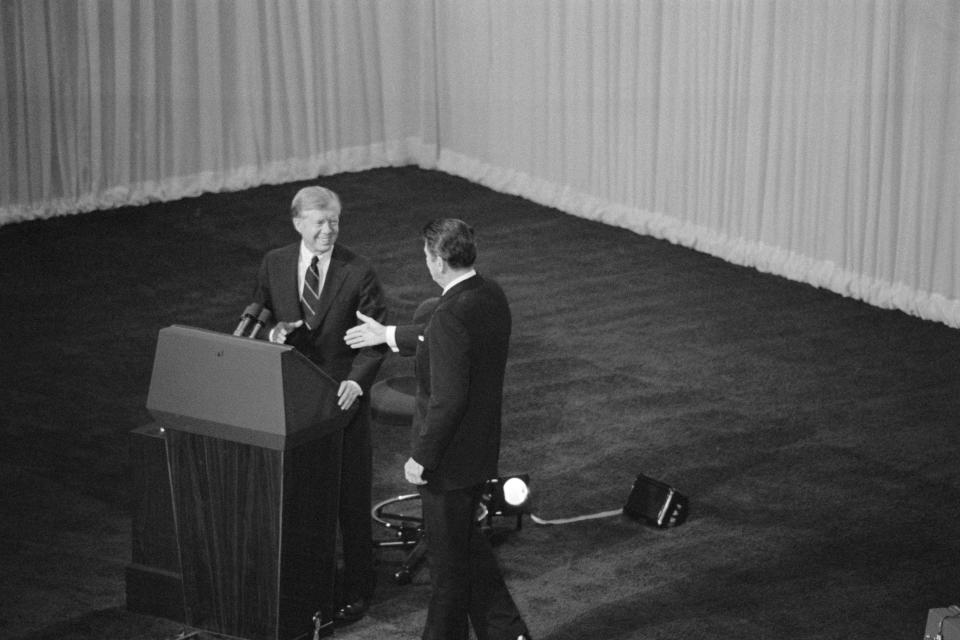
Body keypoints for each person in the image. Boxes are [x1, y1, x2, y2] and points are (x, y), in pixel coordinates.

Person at [345, 218, 532, 640]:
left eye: (426, 255)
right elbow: (443, 336)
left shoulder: (448, 315)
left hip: (445, 463)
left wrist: (420, 459)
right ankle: (508, 633)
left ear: (438, 261)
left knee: (448, 576)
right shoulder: (489, 294)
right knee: (469, 549)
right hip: (478, 452)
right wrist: (389, 334)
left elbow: (448, 399)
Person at [252, 185, 387, 624]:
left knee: (349, 499)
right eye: (320, 222)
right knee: (304, 499)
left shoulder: (358, 270)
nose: (329, 230)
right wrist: (272, 334)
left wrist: (356, 382)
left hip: (342, 401)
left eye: (334, 222)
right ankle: (314, 586)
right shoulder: (274, 262)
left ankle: (359, 588)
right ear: (298, 223)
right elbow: (262, 313)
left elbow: (375, 337)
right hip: (293, 400)